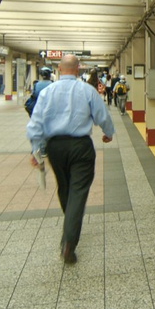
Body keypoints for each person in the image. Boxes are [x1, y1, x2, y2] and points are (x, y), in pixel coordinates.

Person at [27, 55, 114, 264]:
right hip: (81, 147)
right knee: (78, 191)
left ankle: (70, 224)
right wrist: (108, 133)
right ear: (78, 69)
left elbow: (35, 123)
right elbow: (102, 115)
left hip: (55, 147)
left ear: (59, 69)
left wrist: (35, 149)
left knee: (64, 187)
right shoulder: (87, 90)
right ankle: (69, 241)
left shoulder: (47, 92)